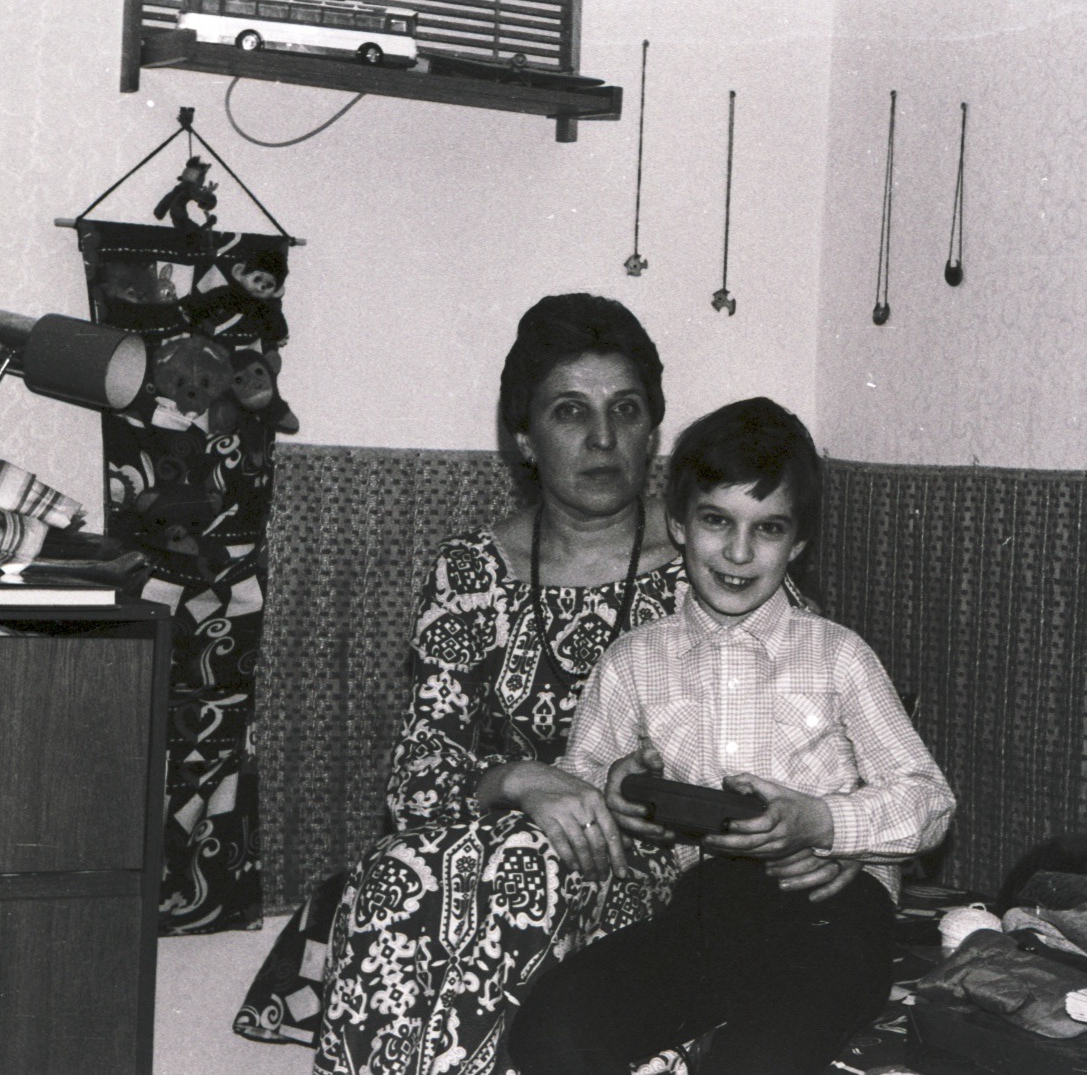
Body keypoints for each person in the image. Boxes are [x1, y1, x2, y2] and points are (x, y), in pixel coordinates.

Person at [234, 294, 857, 1073]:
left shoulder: (721, 564)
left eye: (625, 410)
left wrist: (827, 829)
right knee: (398, 873)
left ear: (652, 431)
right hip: (503, 849)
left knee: (491, 874)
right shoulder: (471, 571)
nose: (603, 438)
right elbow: (416, 780)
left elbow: (825, 743)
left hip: (681, 883)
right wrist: (525, 779)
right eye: (570, 412)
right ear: (524, 437)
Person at [509, 397, 956, 1075]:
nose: (740, 553)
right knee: (554, 1025)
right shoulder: (633, 660)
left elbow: (930, 800)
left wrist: (821, 821)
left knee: (755, 1060)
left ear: (798, 543)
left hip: (831, 914)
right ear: (679, 524)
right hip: (704, 915)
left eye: (768, 528)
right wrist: (617, 788)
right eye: (718, 521)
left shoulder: (838, 656)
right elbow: (581, 775)